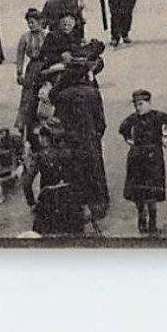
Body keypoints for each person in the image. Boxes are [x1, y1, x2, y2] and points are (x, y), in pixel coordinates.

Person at [49, 62, 109, 223]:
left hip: (71, 141)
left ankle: (80, 206)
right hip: (90, 139)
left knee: (76, 173)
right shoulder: (93, 93)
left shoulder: (63, 96)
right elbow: (101, 121)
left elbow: (58, 121)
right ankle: (100, 205)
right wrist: (96, 135)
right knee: (95, 170)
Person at [119, 89, 167, 235]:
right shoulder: (133, 118)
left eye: (141, 104)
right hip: (137, 157)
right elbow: (122, 128)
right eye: (136, 105)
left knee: (153, 191)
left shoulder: (158, 116)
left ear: (148, 103)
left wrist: (166, 136)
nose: (138, 108)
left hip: (153, 157)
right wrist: (129, 140)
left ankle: (152, 222)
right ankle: (141, 218)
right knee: (138, 192)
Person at [21, 118, 88, 237]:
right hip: (70, 202)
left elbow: (26, 182)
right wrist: (83, 203)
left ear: (45, 139)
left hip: (48, 202)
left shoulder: (40, 157)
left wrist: (32, 203)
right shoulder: (70, 153)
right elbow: (81, 179)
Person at [14, 9, 47, 131]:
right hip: (32, 68)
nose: (30, 25)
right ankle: (25, 123)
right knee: (28, 95)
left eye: (32, 22)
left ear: (40, 22)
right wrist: (19, 72)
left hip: (45, 67)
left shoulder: (46, 35)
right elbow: (20, 55)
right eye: (29, 22)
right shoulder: (25, 37)